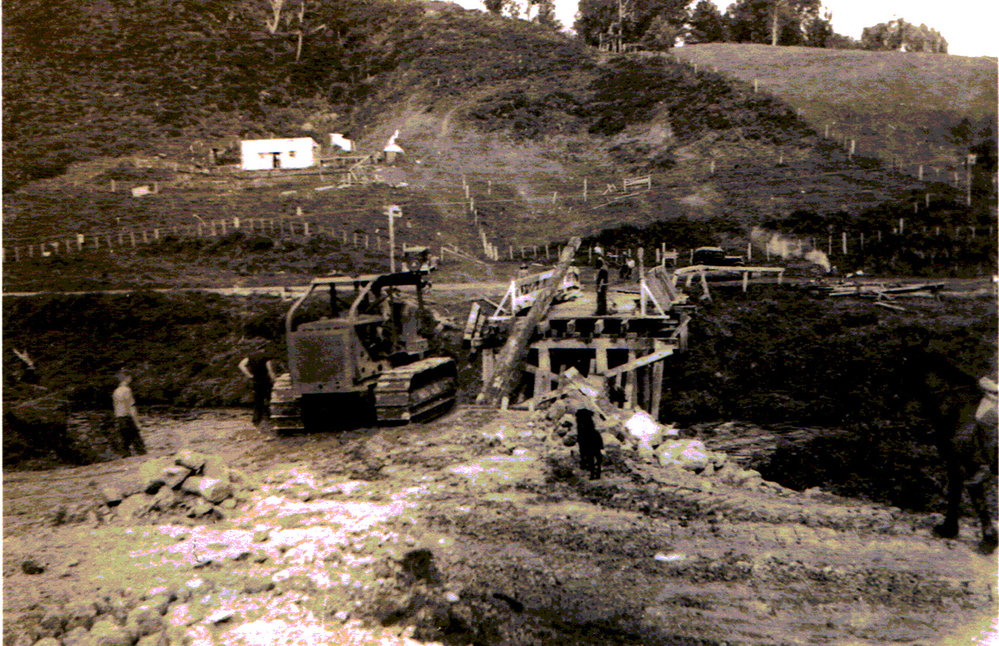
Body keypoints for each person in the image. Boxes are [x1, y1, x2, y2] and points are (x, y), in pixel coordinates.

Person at [239, 348, 279, 426]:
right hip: (266, 381)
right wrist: (274, 380)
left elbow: (241, 365)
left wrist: (249, 375)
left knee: (258, 401)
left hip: (255, 380)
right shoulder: (266, 357)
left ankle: (256, 421)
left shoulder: (250, 357)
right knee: (269, 400)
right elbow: (269, 369)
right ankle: (269, 419)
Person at [113, 370, 147, 456]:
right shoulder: (127, 390)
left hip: (119, 418)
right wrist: (137, 422)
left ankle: (126, 459)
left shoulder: (116, 391)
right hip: (127, 418)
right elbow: (131, 406)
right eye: (129, 377)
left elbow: (116, 407)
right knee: (138, 443)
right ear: (127, 378)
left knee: (125, 443)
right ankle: (143, 459)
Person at [575, 407, 603, 480]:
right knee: (595, 455)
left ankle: (593, 472)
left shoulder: (580, 420)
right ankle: (596, 472)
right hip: (590, 437)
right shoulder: (587, 420)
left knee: (590, 456)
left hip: (586, 438)